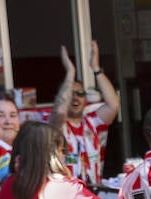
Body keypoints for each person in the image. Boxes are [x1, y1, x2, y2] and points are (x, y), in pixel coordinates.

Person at [50, 40, 120, 186]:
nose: (75, 98)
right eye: (71, 94)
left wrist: (96, 68)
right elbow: (60, 111)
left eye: (80, 93)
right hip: (66, 195)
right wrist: (70, 72)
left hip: (93, 192)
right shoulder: (57, 125)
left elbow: (113, 105)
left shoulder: (92, 122)